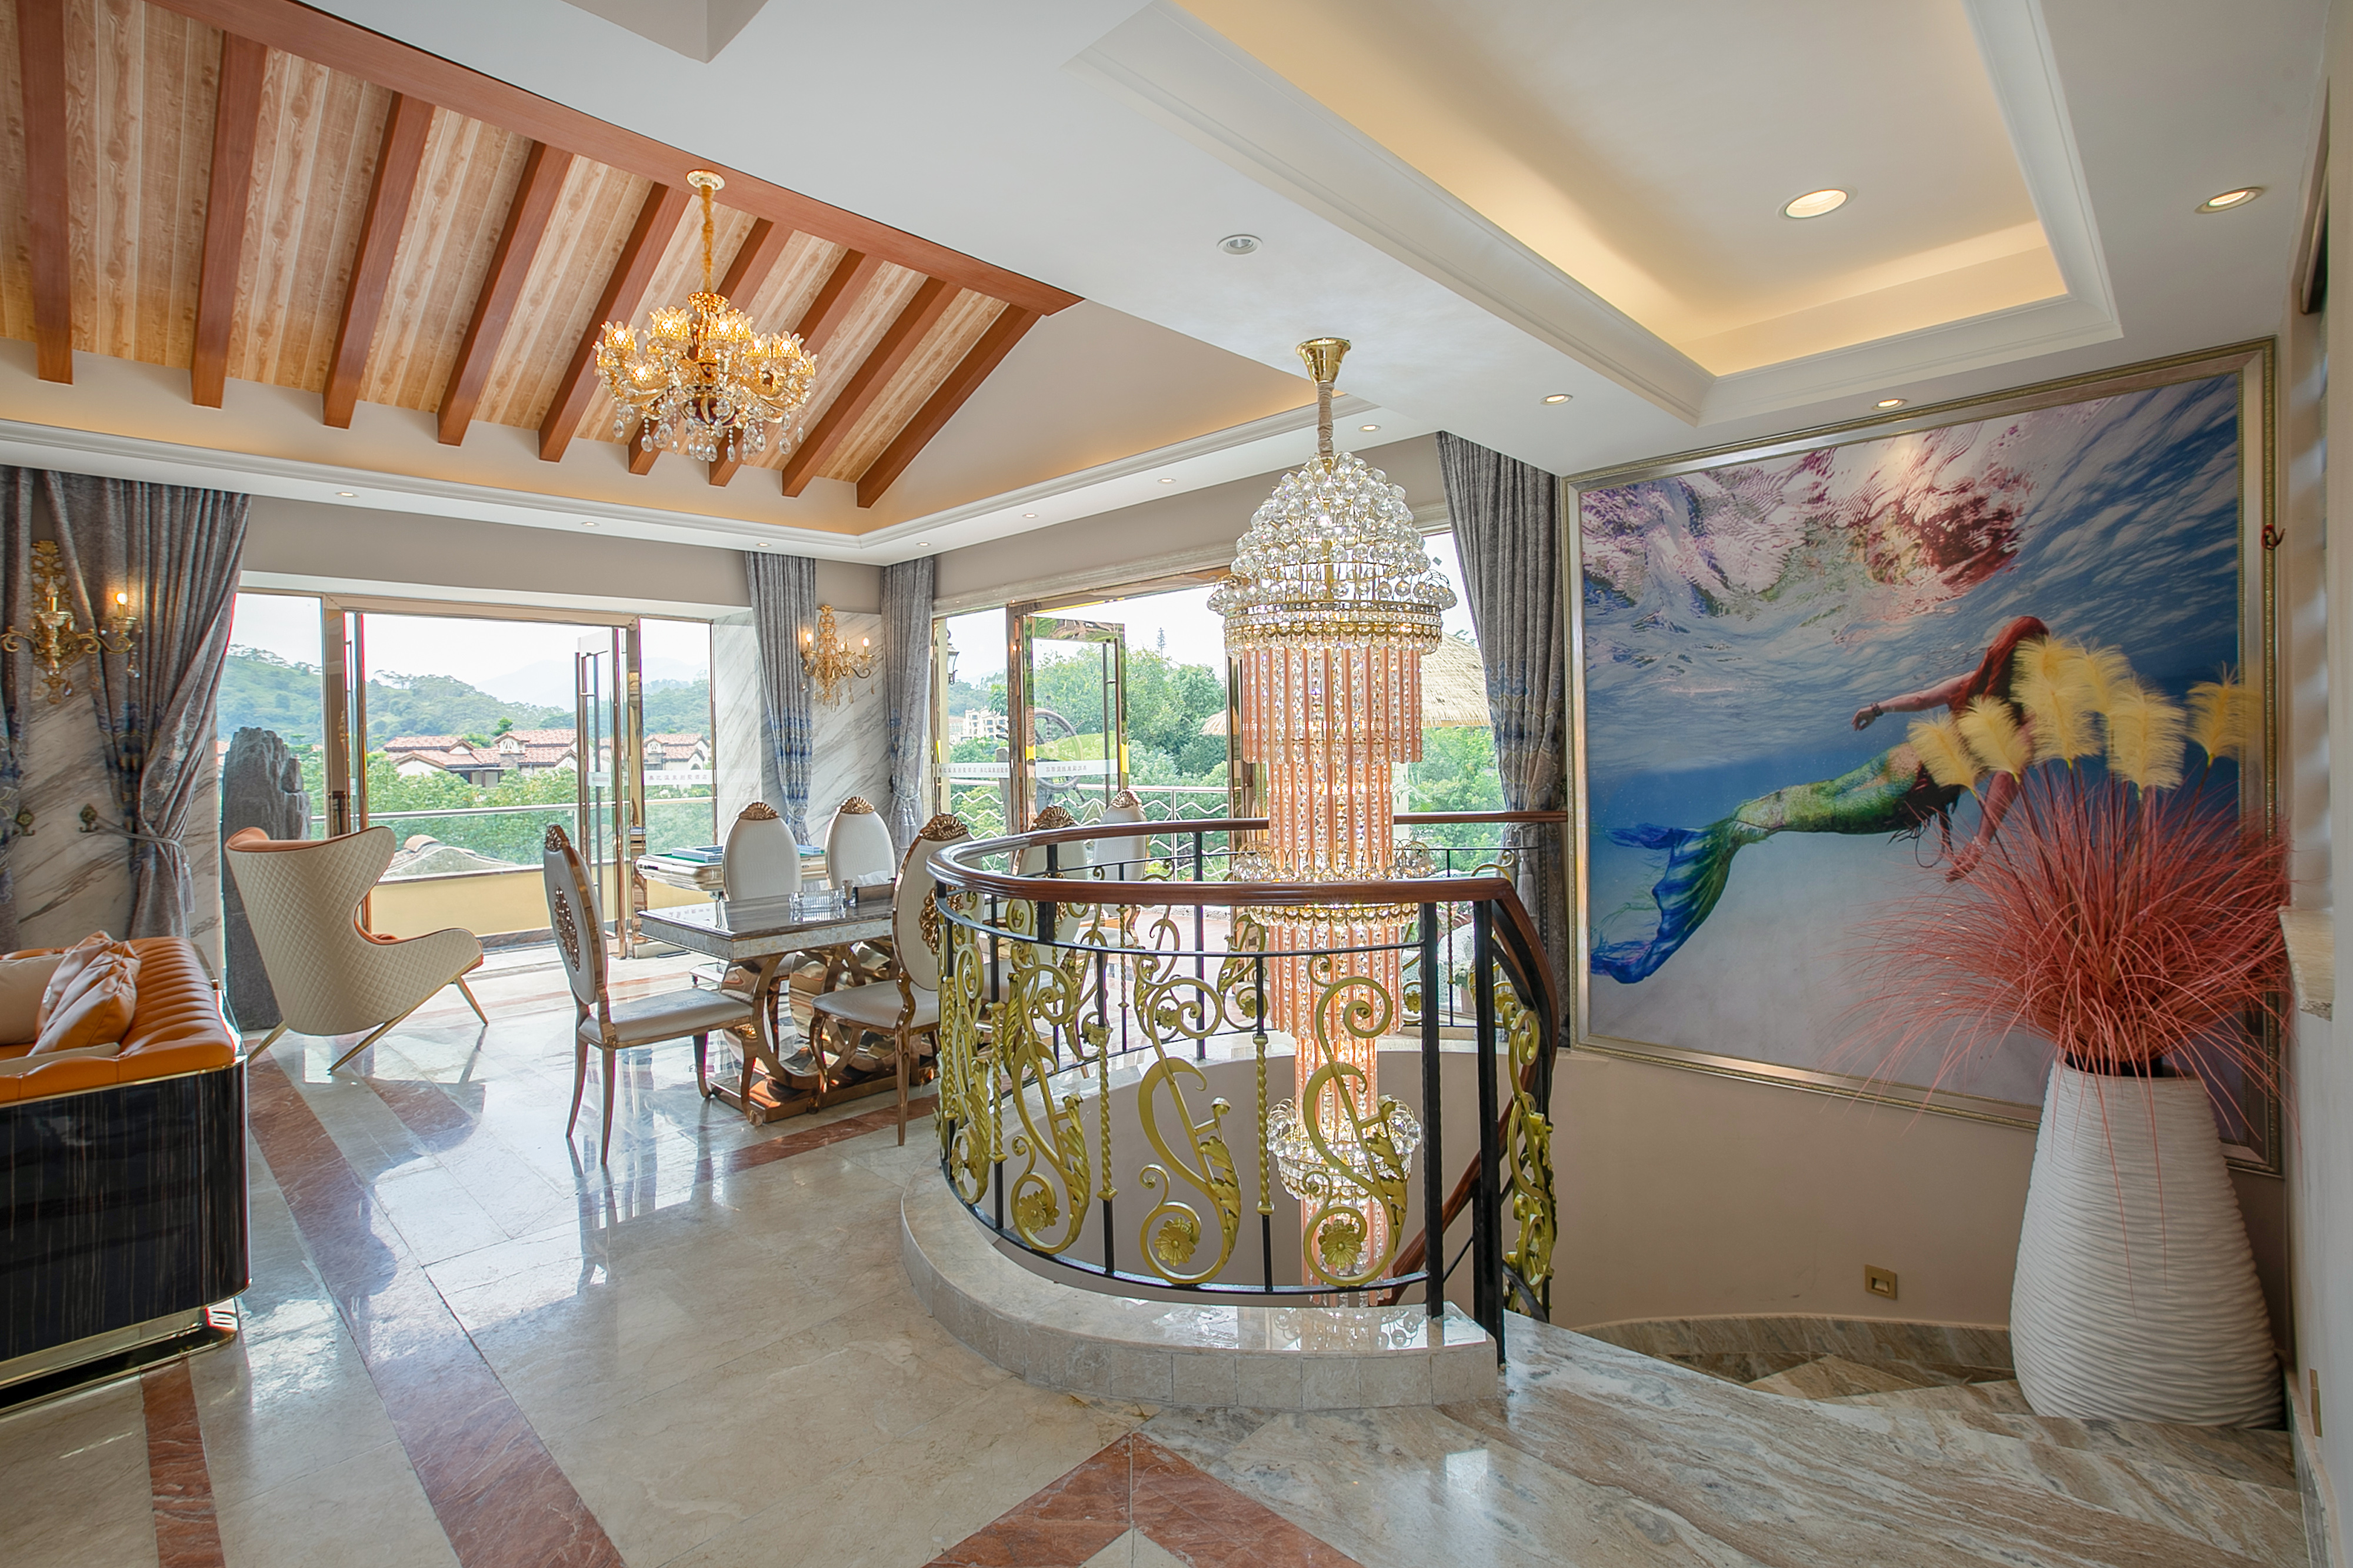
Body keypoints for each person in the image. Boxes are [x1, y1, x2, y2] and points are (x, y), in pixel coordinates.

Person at [1591, 616, 2048, 985]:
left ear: (1999, 651)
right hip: (1914, 794)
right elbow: (2007, 781)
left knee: (1810, 796)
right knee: (1806, 812)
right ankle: (1708, 846)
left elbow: (1922, 698)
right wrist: (1981, 842)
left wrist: (1877, 709)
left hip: (1900, 760)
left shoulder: (1974, 683)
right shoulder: (2024, 720)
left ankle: (1711, 838)